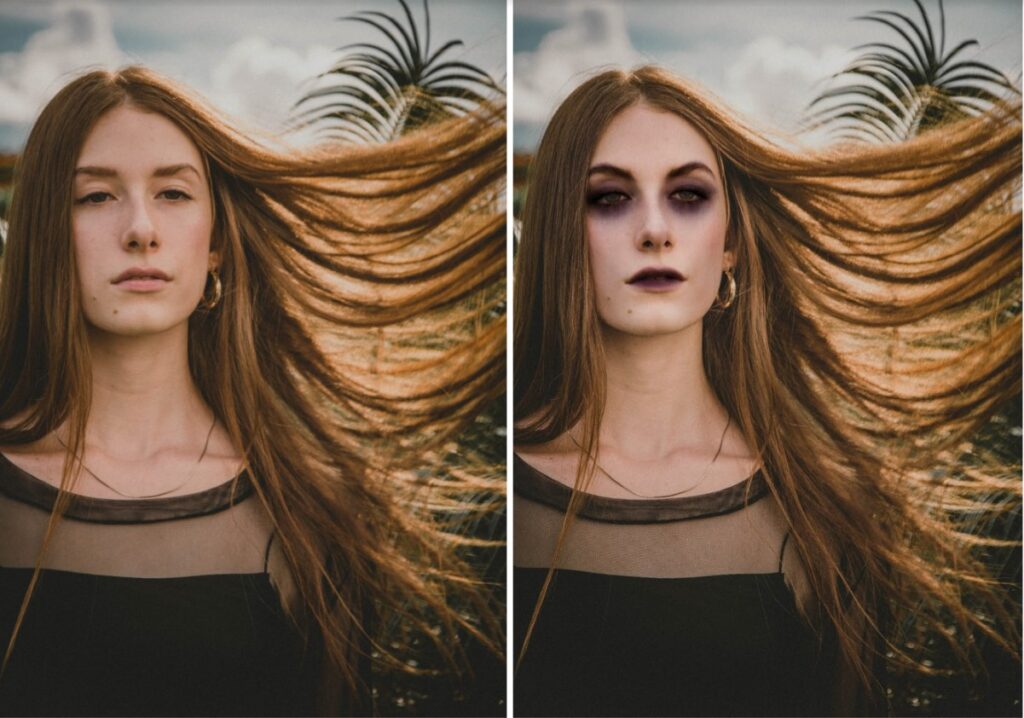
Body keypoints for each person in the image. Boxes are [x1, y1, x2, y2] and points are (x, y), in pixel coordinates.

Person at [513, 65, 1020, 717]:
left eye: (689, 196)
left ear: (730, 247)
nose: (654, 231)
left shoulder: (822, 511)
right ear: (560, 232)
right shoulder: (497, 510)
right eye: (610, 198)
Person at [0, 65, 505, 716]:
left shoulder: (304, 510)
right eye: (95, 196)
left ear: (215, 245)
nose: (140, 229)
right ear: (45, 233)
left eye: (174, 194)